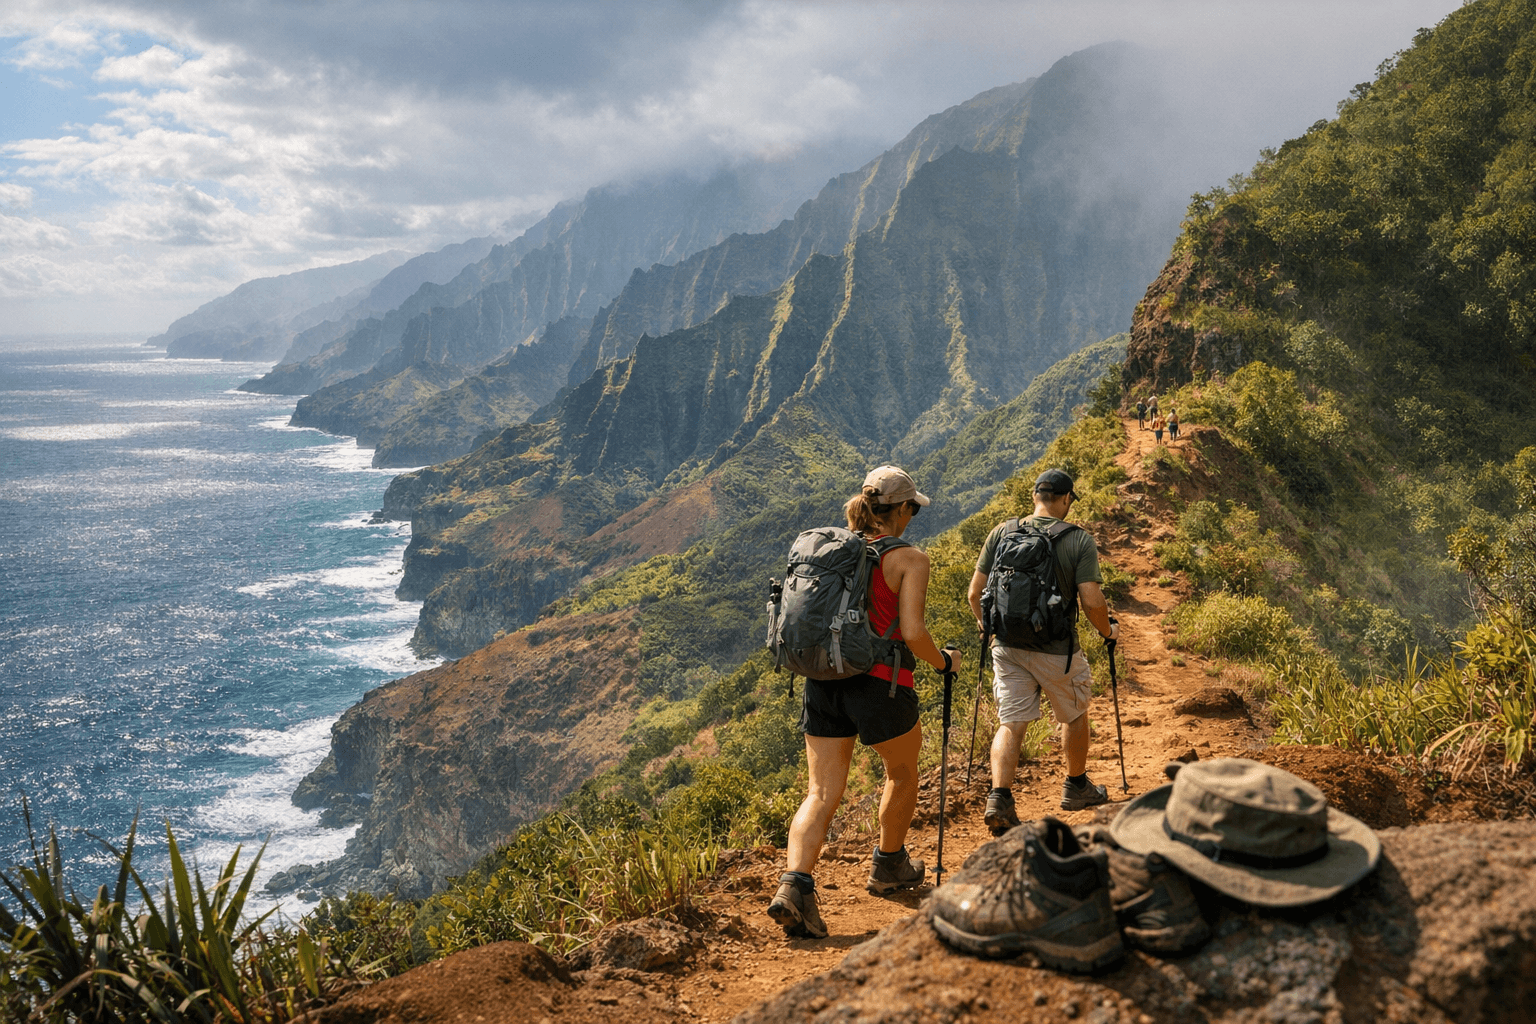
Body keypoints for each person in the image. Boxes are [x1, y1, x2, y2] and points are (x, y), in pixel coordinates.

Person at [767, 465, 961, 939]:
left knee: (820, 793)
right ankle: (889, 864)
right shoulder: (909, 559)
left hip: (822, 680)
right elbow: (913, 633)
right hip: (880, 684)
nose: (913, 515)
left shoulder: (834, 554)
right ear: (897, 510)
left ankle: (794, 885)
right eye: (911, 508)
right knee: (901, 771)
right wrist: (944, 663)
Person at [966, 469, 1118, 832]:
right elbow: (1092, 600)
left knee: (1011, 723)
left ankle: (999, 797)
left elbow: (975, 594)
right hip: (1057, 650)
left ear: (1035, 496)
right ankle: (1076, 786)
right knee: (1075, 713)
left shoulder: (1002, 532)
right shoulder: (1078, 540)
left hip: (1007, 647)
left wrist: (988, 626)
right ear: (1065, 499)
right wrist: (1107, 630)